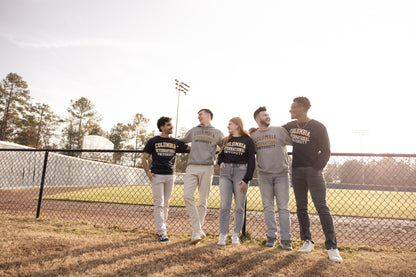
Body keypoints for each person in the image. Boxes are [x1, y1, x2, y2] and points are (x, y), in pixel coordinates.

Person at [283, 97, 343, 262]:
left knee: (322, 207)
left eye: (293, 107)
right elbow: (274, 132)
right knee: (301, 207)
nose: (290, 110)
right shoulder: (290, 126)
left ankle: (332, 247)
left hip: (313, 172)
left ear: (302, 108)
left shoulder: (318, 127)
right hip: (296, 171)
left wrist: (316, 168)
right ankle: (307, 241)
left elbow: (326, 151)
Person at [250, 106, 294, 250]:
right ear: (257, 119)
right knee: (268, 207)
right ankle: (271, 236)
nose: (267, 117)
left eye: (268, 115)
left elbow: (294, 142)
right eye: (264, 115)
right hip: (264, 176)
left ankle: (286, 239)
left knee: (283, 208)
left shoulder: (279, 131)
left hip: (281, 174)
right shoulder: (254, 136)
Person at [142, 116, 189, 243]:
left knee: (166, 204)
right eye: (168, 125)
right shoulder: (153, 141)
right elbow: (145, 157)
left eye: (171, 124)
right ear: (161, 127)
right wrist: (148, 172)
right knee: (159, 204)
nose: (171, 127)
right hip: (157, 175)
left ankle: (161, 229)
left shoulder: (175, 142)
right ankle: (162, 232)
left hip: (170, 175)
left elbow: (190, 149)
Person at [181, 109, 224, 244]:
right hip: (192, 166)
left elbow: (225, 147)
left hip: (207, 168)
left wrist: (220, 160)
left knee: (202, 201)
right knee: (187, 195)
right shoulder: (194, 130)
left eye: (201, 114)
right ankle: (198, 229)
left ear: (209, 116)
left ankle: (196, 233)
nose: (198, 116)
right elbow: (181, 142)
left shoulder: (217, 132)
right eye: (198, 115)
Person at [217, 117, 256, 246]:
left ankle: (236, 235)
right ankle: (223, 234)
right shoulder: (226, 140)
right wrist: (220, 162)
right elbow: (220, 155)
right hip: (226, 173)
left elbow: (251, 160)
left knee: (239, 206)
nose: (228, 126)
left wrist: (246, 179)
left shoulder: (248, 140)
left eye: (230, 124)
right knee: (224, 205)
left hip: (241, 173)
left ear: (237, 125)